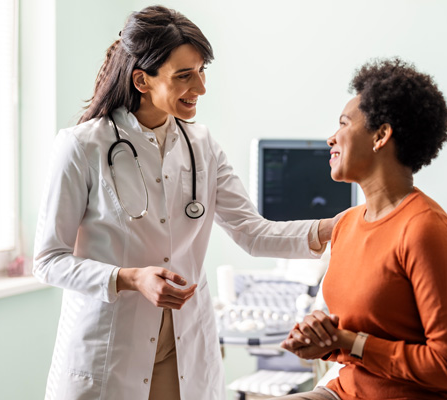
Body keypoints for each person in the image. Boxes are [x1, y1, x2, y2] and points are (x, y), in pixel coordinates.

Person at [33, 5, 341, 400]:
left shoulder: (202, 145)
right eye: (184, 76)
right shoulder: (82, 146)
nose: (200, 88)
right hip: (111, 352)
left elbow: (252, 232)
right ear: (142, 80)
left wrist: (341, 226)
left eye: (201, 71)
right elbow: (49, 260)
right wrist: (130, 278)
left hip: (185, 351)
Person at [279, 58, 447, 399]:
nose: (331, 138)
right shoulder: (347, 224)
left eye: (343, 124)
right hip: (349, 391)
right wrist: (321, 338)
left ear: (381, 135)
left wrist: (348, 343)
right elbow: (354, 331)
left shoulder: (425, 230)